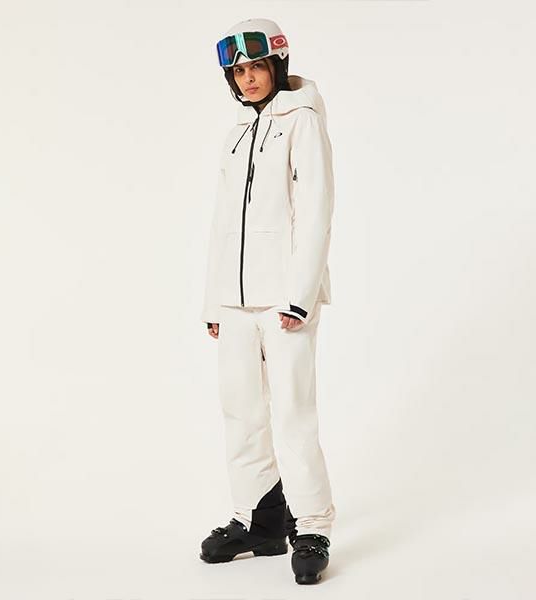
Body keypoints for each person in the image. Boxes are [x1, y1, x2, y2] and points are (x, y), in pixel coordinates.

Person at [199, 18, 336, 585]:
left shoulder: (302, 120)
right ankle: (258, 519)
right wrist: (213, 302)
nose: (248, 78)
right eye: (238, 71)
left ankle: (313, 525)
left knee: (293, 414)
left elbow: (317, 210)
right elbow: (222, 223)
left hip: (283, 301)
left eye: (256, 67)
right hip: (234, 304)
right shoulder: (238, 132)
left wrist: (299, 297)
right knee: (241, 411)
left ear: (277, 65)